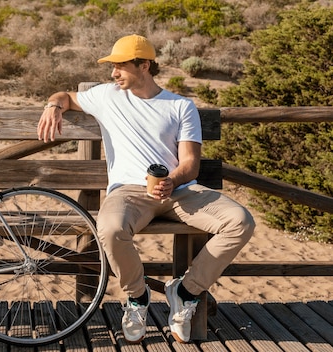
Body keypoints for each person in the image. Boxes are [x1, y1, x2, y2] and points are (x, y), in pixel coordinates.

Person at [36, 34, 255, 344]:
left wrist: (172, 181)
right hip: (128, 192)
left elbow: (190, 163)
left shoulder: (180, 106)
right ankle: (137, 298)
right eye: (112, 67)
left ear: (145, 65)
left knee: (240, 222)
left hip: (179, 191)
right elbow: (65, 96)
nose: (113, 73)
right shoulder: (107, 96)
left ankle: (185, 291)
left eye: (120, 66)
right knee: (110, 229)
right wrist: (52, 105)